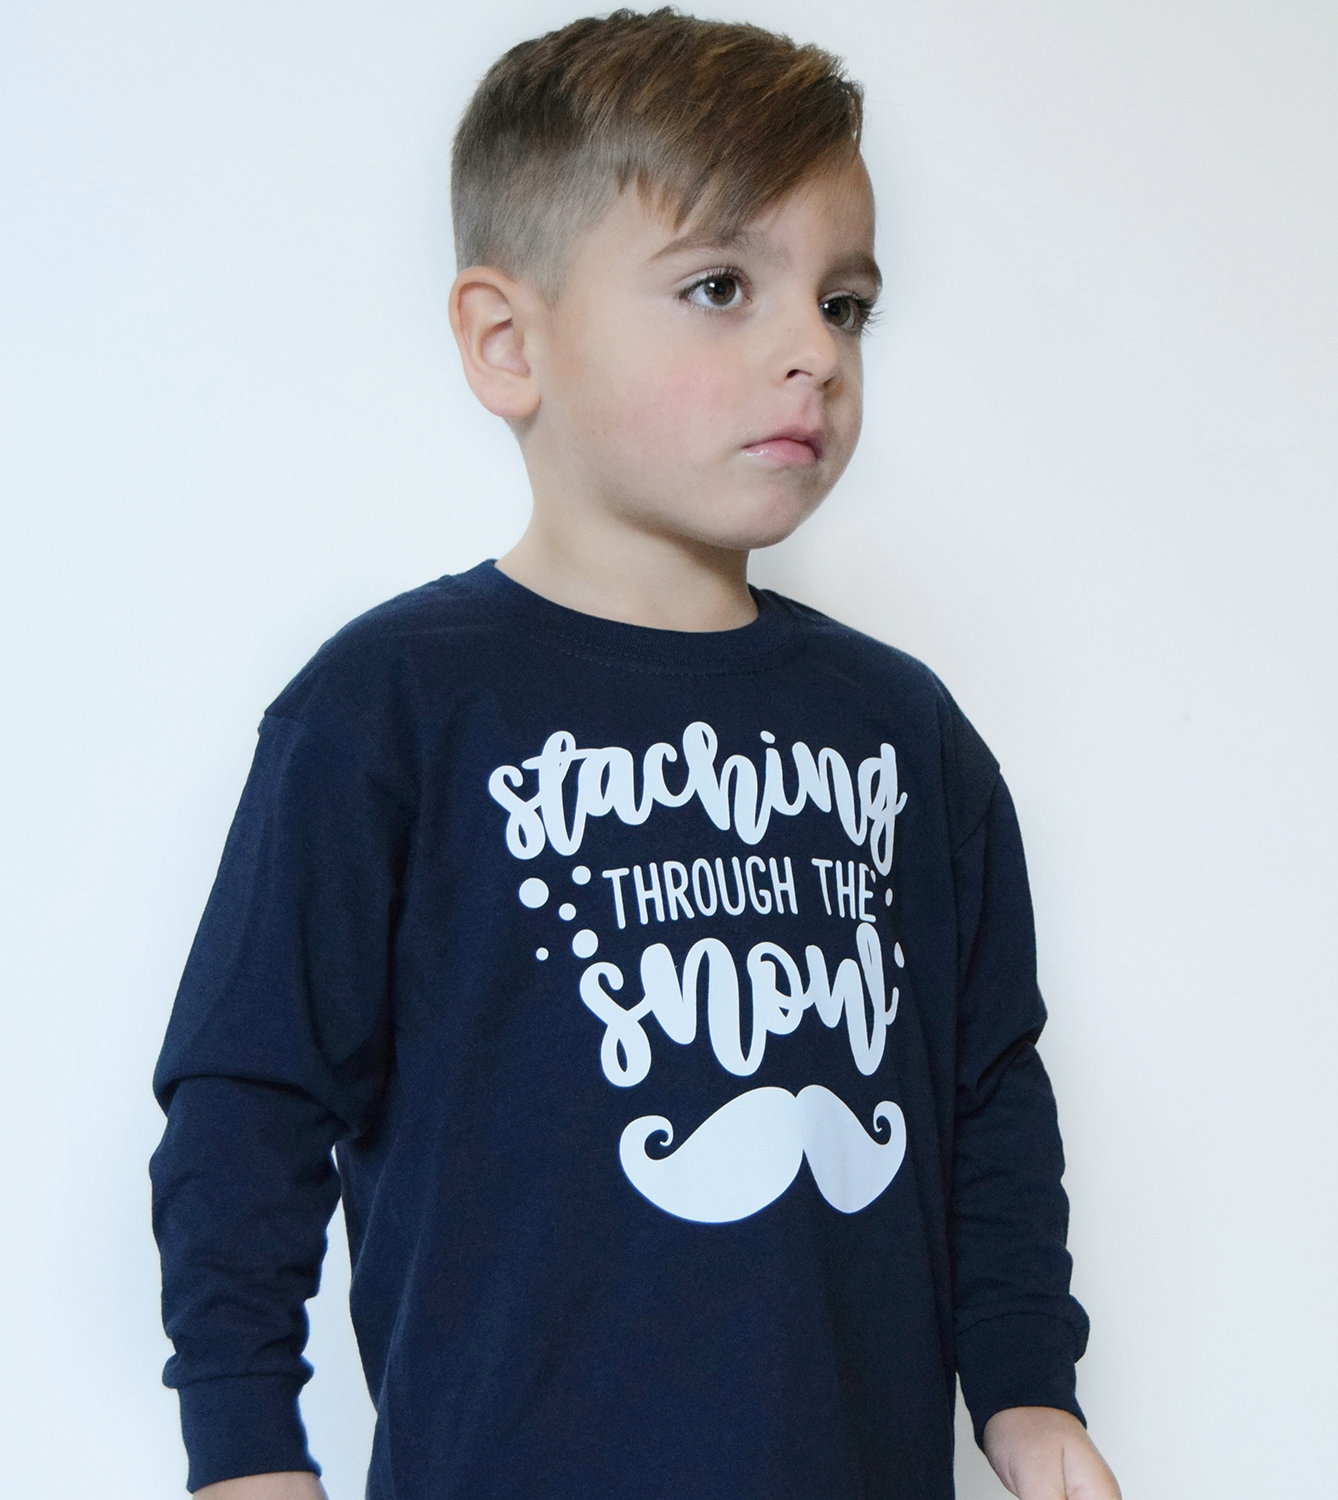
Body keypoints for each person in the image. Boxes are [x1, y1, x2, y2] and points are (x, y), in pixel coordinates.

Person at [150, 10, 1122, 1499]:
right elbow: (249, 1096)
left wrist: (1026, 1388)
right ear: (507, 340)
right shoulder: (389, 712)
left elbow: (986, 1090)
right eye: (723, 287)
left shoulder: (905, 733)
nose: (813, 352)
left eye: (847, 305)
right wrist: (241, 1443)